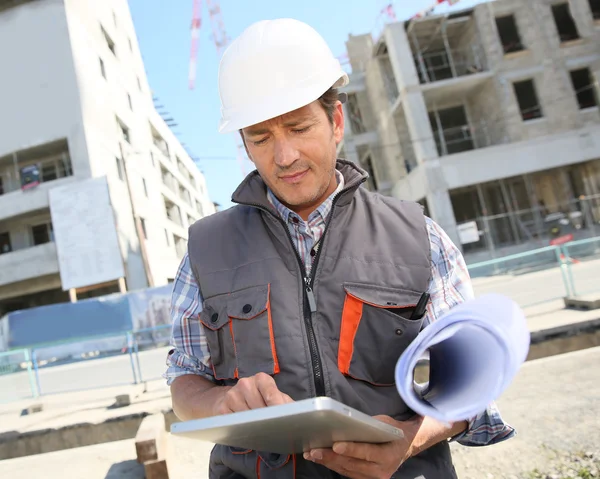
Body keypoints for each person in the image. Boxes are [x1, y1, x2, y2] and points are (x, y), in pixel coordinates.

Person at [165, 18, 514, 479]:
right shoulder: (205, 251)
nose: (284, 155)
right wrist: (220, 402)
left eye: (298, 127)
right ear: (244, 145)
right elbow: (183, 382)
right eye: (261, 137)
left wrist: (412, 439)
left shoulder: (417, 236)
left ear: (336, 122)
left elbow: (471, 383)